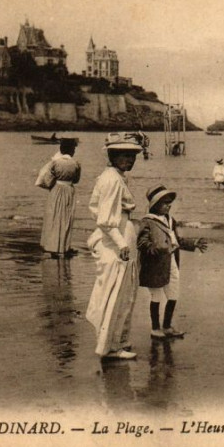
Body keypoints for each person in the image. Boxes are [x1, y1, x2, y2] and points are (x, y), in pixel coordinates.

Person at [85, 133, 144, 360]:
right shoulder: (111, 179)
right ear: (112, 155)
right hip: (114, 238)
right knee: (115, 292)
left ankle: (117, 340)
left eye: (133, 156)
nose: (130, 160)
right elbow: (105, 218)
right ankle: (109, 346)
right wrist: (121, 244)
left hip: (120, 233)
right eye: (125, 155)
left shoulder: (116, 177)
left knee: (123, 291)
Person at [138, 185, 207, 339]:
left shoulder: (171, 220)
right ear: (156, 205)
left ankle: (167, 326)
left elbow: (177, 240)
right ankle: (155, 328)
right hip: (155, 265)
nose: (169, 205)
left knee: (173, 292)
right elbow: (142, 243)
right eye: (165, 203)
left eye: (170, 202)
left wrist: (193, 243)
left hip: (171, 261)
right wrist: (154, 249)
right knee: (156, 295)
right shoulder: (148, 221)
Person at [36, 138, 81, 257]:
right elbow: (76, 180)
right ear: (72, 150)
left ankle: (52, 247)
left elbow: (48, 180)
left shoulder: (55, 163)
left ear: (61, 149)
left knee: (54, 218)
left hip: (57, 190)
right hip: (69, 190)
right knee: (67, 219)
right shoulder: (76, 163)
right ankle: (65, 247)